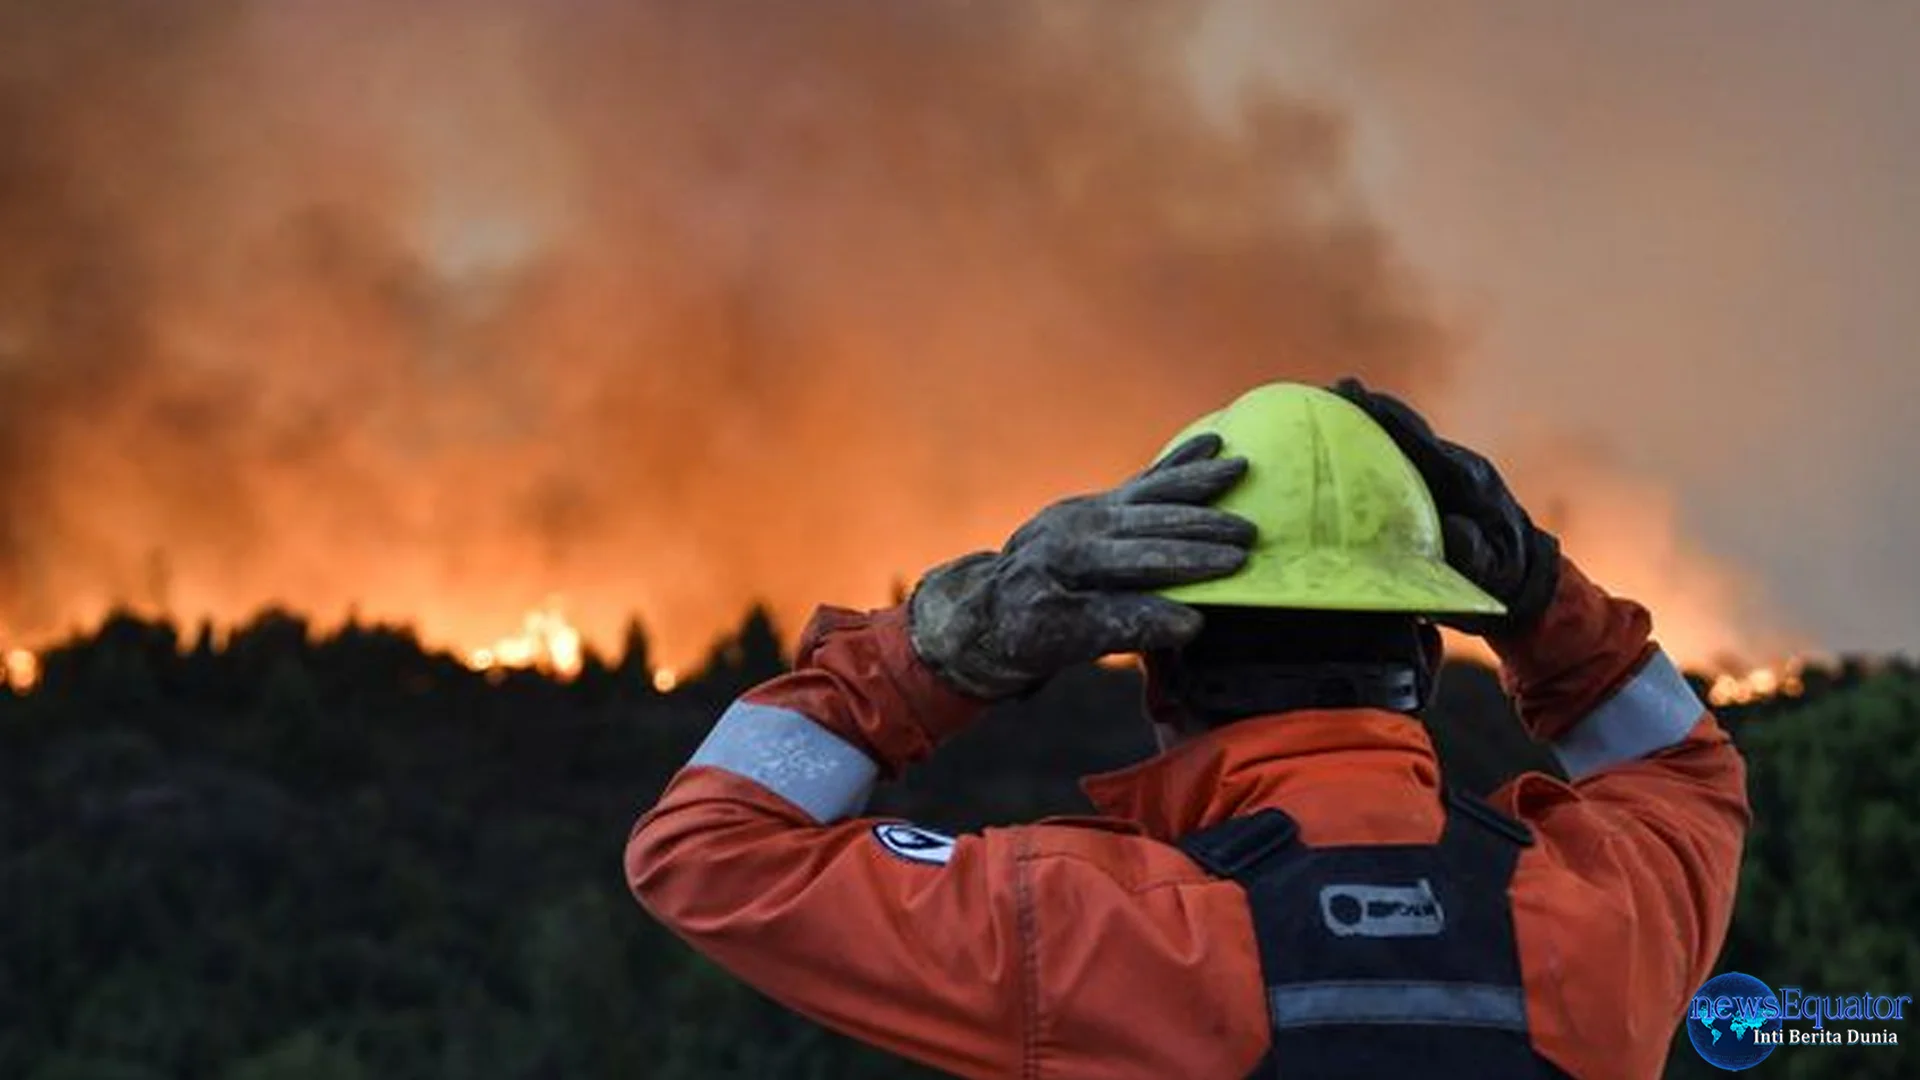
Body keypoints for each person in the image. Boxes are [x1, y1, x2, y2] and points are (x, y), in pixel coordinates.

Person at [626, 381, 1750, 1079]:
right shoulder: (1611, 917)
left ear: (1160, 672)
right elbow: (1684, 770)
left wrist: (951, 642)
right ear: (1421, 656)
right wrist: (1547, 599)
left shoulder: (1087, 935)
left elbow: (708, 851)